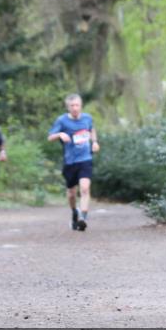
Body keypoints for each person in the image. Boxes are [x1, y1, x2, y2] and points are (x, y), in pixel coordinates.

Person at [47, 94, 99, 231]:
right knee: (71, 193)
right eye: (72, 106)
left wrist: (94, 142)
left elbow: (91, 129)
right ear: (68, 107)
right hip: (70, 161)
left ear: (81, 105)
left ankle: (83, 217)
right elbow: (50, 137)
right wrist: (59, 134)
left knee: (85, 188)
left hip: (85, 159)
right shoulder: (62, 120)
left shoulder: (87, 118)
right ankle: (74, 212)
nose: (75, 108)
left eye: (77, 105)